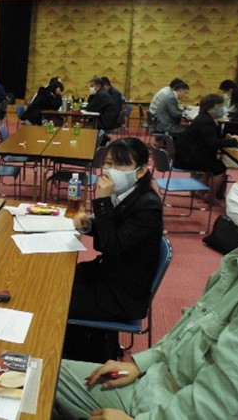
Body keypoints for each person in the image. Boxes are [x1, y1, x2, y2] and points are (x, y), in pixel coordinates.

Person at [55, 140, 238, 420]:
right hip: (153, 381)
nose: (234, 188)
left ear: (141, 170)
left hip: (158, 401)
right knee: (38, 370)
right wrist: (141, 364)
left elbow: (223, 405)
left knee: (40, 363)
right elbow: (188, 334)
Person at [65, 138, 163, 363]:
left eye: (121, 165)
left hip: (122, 295)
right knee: (59, 278)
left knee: (56, 299)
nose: (111, 171)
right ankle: (82, 345)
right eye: (108, 164)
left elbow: (113, 246)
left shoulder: (148, 205)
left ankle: (75, 355)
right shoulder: (126, 193)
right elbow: (113, 235)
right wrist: (88, 226)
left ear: (140, 171)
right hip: (110, 274)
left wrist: (103, 201)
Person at [173, 94, 238, 200]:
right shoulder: (206, 122)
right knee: (220, 168)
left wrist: (227, 137)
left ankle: (200, 191)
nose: (222, 110)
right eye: (220, 107)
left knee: (213, 163)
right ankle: (211, 197)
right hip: (188, 159)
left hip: (186, 155)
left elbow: (210, 135)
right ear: (210, 108)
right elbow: (212, 143)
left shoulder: (204, 118)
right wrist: (235, 141)